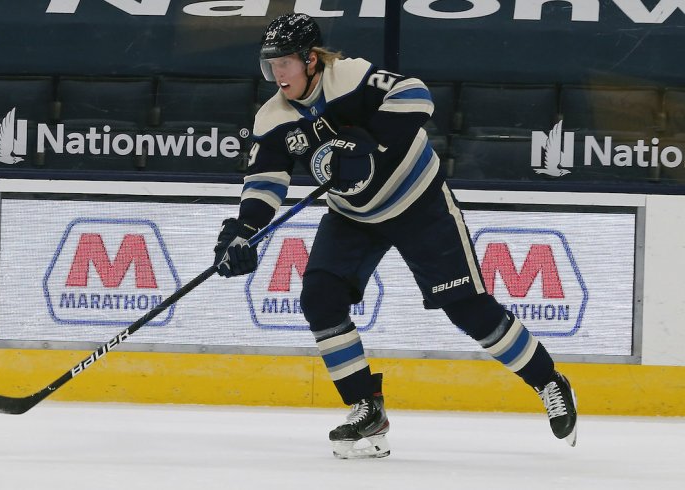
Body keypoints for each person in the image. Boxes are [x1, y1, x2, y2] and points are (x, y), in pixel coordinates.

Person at [213, 13, 578, 459]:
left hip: (417, 202)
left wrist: (370, 139)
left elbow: (416, 95)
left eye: (285, 63)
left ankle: (548, 381)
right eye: (271, 65)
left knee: (467, 309)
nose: (277, 73)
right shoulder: (273, 117)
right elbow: (265, 182)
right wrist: (244, 232)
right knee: (320, 298)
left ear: (311, 59)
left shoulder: (348, 76)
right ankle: (367, 408)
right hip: (353, 216)